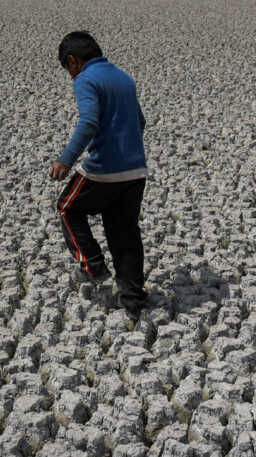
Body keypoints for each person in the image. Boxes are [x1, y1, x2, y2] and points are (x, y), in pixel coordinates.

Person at [50, 31, 148, 315]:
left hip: (103, 169)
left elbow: (89, 121)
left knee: (68, 208)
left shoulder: (85, 79)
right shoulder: (123, 76)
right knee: (125, 232)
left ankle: (92, 265)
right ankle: (132, 302)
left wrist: (66, 160)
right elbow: (139, 121)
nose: (69, 76)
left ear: (72, 61)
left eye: (67, 69)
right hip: (136, 170)